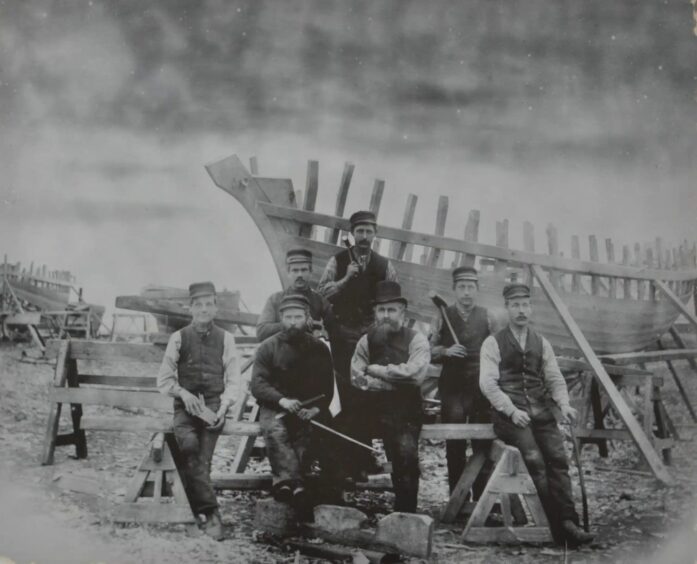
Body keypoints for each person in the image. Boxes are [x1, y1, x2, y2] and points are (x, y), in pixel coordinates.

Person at [479, 282, 594, 546]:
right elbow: (487, 384)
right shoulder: (492, 343)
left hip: (541, 412)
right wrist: (511, 410)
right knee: (535, 462)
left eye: (525, 304)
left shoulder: (541, 343)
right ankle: (556, 527)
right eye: (515, 305)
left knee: (558, 460)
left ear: (531, 308)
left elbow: (554, 378)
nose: (521, 310)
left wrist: (564, 404)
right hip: (509, 416)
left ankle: (569, 521)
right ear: (507, 308)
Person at [318, 210, 398, 477]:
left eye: (369, 231)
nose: (364, 236)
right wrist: (346, 278)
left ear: (375, 234)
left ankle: (364, 458)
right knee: (345, 395)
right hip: (342, 336)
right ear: (353, 234)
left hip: (372, 338)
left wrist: (378, 330)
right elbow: (322, 295)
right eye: (359, 231)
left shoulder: (384, 265)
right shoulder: (338, 261)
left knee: (368, 395)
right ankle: (344, 461)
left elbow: (391, 300)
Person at [157, 281, 238, 541]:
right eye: (198, 305)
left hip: (214, 408)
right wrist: (182, 393)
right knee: (189, 445)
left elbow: (235, 381)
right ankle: (211, 512)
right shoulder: (178, 338)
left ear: (215, 307)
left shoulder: (227, 339)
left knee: (201, 457)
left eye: (208, 304)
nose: (204, 309)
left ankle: (196, 508)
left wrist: (224, 409)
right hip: (184, 408)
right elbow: (164, 380)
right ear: (190, 308)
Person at [251, 293, 340, 514]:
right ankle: (296, 485)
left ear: (307, 317)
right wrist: (282, 400)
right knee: (275, 430)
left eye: (298, 317)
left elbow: (327, 388)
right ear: (281, 318)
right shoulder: (267, 347)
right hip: (275, 405)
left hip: (307, 407)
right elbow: (258, 384)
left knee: (306, 434)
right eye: (288, 317)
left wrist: (315, 409)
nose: (293, 322)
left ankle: (285, 484)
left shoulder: (319, 348)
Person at [350, 281, 430, 512]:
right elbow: (356, 376)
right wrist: (392, 382)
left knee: (405, 455)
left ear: (402, 313)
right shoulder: (366, 341)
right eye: (381, 310)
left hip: (405, 411)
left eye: (392, 310)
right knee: (339, 439)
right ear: (375, 313)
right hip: (371, 409)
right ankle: (340, 506)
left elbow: (414, 375)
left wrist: (378, 371)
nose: (386, 315)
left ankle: (405, 514)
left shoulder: (416, 339)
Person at [429, 266, 493, 496]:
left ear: (477, 290)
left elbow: (497, 350)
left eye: (471, 287)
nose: (467, 292)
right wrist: (445, 351)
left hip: (480, 388)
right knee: (454, 442)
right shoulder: (443, 315)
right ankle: (457, 500)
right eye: (462, 287)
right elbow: (428, 351)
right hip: (452, 388)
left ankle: (482, 498)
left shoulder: (487, 316)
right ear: (455, 290)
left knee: (482, 443)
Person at [256, 249, 335, 342]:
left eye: (304, 270)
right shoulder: (275, 299)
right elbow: (261, 332)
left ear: (311, 272)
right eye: (295, 270)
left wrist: (319, 330)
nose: (300, 275)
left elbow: (334, 333)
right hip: (280, 353)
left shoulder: (321, 303)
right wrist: (290, 324)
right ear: (288, 273)